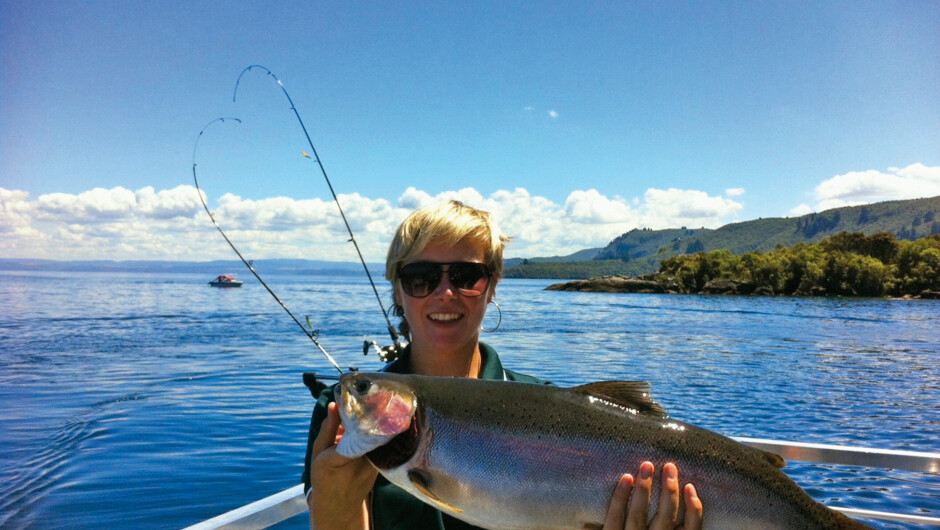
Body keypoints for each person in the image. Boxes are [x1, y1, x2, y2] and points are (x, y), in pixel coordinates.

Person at [302, 200, 703, 529]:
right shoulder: (339, 417)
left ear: (492, 287)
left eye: (465, 275)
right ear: (397, 288)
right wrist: (336, 502)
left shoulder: (550, 404)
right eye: (421, 277)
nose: (444, 292)